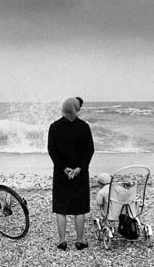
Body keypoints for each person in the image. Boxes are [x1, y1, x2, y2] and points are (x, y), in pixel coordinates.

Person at [48, 97, 94, 251]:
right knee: (79, 208)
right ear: (76, 108)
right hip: (80, 173)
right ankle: (80, 241)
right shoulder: (84, 127)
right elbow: (89, 150)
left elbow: (52, 151)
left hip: (62, 173)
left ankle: (62, 241)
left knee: (61, 207)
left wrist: (63, 168)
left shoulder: (54, 127)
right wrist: (80, 168)